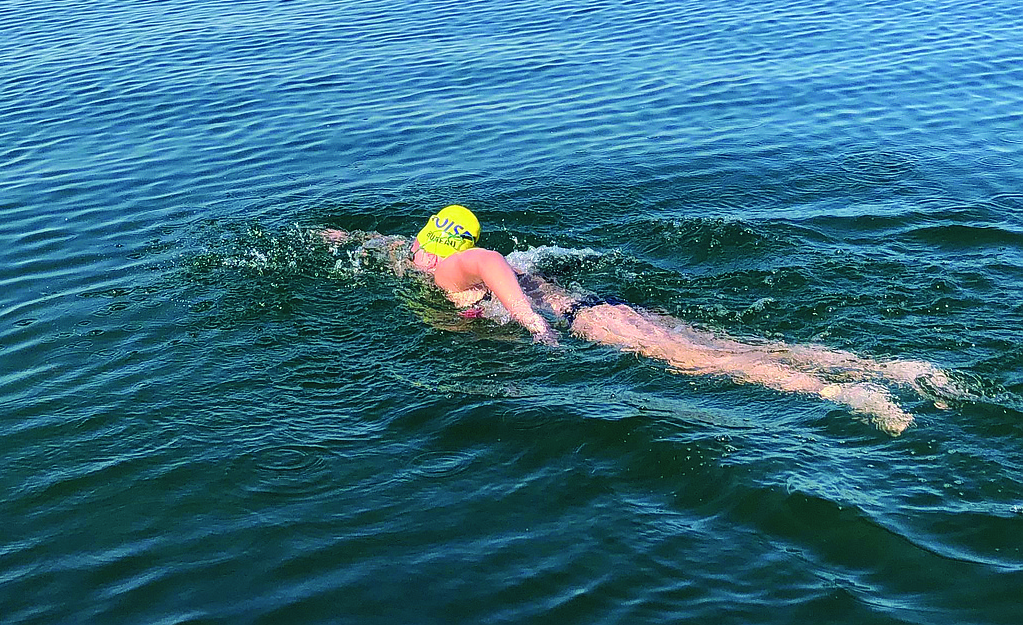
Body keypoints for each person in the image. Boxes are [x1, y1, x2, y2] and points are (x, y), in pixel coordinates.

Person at [322, 205, 956, 434]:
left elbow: (489, 263)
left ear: (433, 242)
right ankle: (899, 368)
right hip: (602, 307)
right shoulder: (419, 257)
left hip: (587, 324)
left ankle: (850, 393)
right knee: (735, 342)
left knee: (717, 362)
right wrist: (338, 238)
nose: (409, 249)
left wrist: (534, 330)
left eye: (418, 243)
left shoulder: (452, 265)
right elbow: (381, 245)